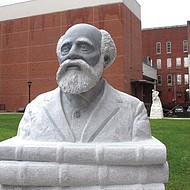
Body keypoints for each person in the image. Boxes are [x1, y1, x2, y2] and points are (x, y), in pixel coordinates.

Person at [17, 23, 151, 143]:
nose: (72, 54)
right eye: (66, 48)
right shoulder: (34, 109)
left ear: (104, 58)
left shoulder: (133, 111)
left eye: (84, 47)